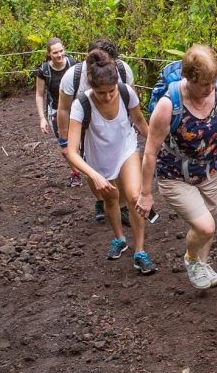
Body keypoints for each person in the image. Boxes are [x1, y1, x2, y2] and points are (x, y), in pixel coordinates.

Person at [137, 45, 217, 290]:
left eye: (213, 81)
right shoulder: (168, 105)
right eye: (204, 84)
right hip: (175, 176)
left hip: (211, 171)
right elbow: (150, 151)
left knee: (206, 224)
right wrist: (145, 194)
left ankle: (201, 268)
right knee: (206, 226)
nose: (209, 89)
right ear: (188, 78)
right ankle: (191, 259)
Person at [63, 49, 156, 275]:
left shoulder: (125, 93)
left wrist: (159, 146)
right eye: (101, 92)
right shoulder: (81, 104)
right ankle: (120, 239)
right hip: (98, 158)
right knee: (111, 198)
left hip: (126, 148)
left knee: (134, 196)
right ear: (91, 86)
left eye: (111, 91)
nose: (107, 97)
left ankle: (140, 251)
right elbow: (72, 151)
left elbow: (141, 123)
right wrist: (93, 175)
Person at [56, 39, 136, 223]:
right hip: (84, 125)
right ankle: (101, 199)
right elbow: (63, 108)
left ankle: (122, 205)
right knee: (91, 163)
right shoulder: (73, 76)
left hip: (115, 122)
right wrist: (63, 139)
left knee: (122, 162)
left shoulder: (123, 70)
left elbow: (132, 99)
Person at [32, 37, 79, 186]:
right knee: (65, 149)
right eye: (55, 53)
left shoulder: (73, 64)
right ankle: (76, 173)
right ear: (49, 54)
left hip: (77, 107)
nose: (59, 55)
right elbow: (39, 95)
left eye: (61, 51)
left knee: (82, 141)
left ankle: (91, 169)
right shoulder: (44, 71)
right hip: (56, 111)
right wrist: (42, 118)